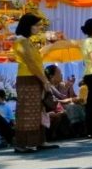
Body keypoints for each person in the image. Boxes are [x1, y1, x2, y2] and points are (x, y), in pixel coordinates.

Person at [11, 13, 60, 153]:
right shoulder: (21, 41)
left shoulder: (27, 41)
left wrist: (43, 80)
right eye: (37, 25)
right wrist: (45, 81)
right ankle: (22, 144)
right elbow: (31, 64)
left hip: (35, 78)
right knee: (28, 111)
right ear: (28, 26)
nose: (39, 28)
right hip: (28, 78)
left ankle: (39, 141)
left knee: (39, 110)